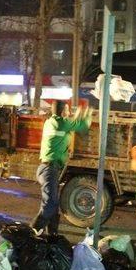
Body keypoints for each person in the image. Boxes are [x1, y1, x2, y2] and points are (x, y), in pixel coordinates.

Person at [30, 100, 92, 236]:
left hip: (46, 168)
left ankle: (52, 236)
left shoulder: (51, 122)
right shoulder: (62, 123)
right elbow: (84, 126)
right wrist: (88, 112)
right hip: (49, 169)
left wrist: (77, 115)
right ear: (63, 111)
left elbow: (71, 125)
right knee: (50, 203)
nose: (69, 113)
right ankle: (32, 231)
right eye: (68, 110)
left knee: (53, 204)